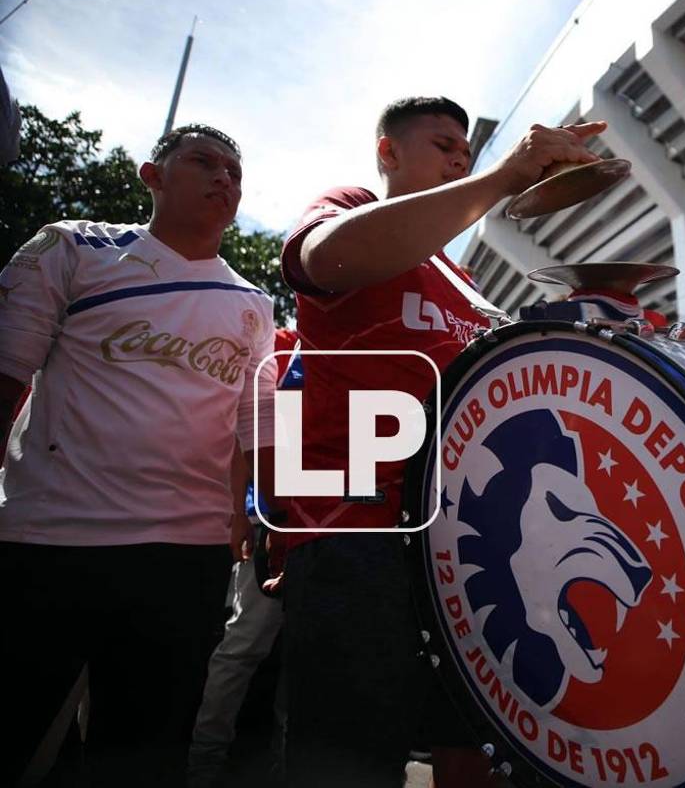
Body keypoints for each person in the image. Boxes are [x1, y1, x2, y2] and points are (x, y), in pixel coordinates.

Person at [277, 97, 607, 788]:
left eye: (466, 150)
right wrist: (506, 175)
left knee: (477, 745)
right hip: (360, 534)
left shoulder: (463, 278)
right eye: (442, 144)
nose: (460, 157)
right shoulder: (347, 206)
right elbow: (330, 256)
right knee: (347, 762)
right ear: (388, 151)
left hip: (465, 544)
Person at [0, 124, 277, 787]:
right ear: (152, 175)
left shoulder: (253, 304)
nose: (224, 179)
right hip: (48, 540)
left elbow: (254, 429)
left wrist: (268, 519)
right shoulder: (71, 247)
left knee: (144, 756)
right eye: (203, 162)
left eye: (235, 172)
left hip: (185, 560)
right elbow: (7, 376)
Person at [188, 329, 302, 788]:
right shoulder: (281, 346)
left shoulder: (360, 349)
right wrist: (240, 513)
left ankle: (285, 765)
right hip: (271, 519)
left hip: (326, 526)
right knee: (245, 645)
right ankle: (204, 760)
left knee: (302, 652)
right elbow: (245, 434)